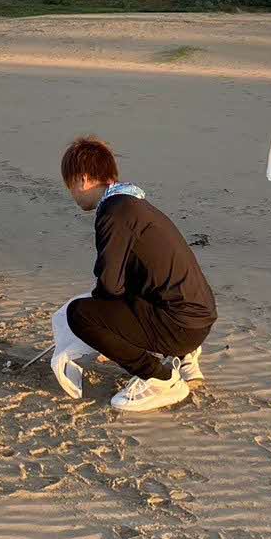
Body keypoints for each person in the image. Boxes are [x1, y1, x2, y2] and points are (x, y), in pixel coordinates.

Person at [61, 137, 217, 413]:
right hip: (197, 316)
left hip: (180, 325)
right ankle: (183, 356)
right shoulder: (132, 202)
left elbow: (110, 285)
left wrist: (108, 334)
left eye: (70, 185)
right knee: (117, 299)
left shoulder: (114, 213)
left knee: (80, 314)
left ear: (83, 179)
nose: (72, 193)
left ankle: (160, 378)